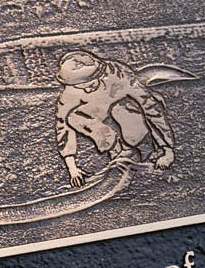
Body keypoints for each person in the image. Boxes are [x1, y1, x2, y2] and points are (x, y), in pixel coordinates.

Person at [53, 50, 175, 185]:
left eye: (91, 85)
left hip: (129, 113)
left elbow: (150, 107)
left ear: (100, 74)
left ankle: (146, 150)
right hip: (102, 114)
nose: (87, 91)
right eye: (80, 88)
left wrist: (167, 149)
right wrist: (72, 169)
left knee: (120, 108)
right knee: (74, 118)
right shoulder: (69, 94)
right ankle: (117, 154)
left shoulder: (120, 75)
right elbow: (62, 127)